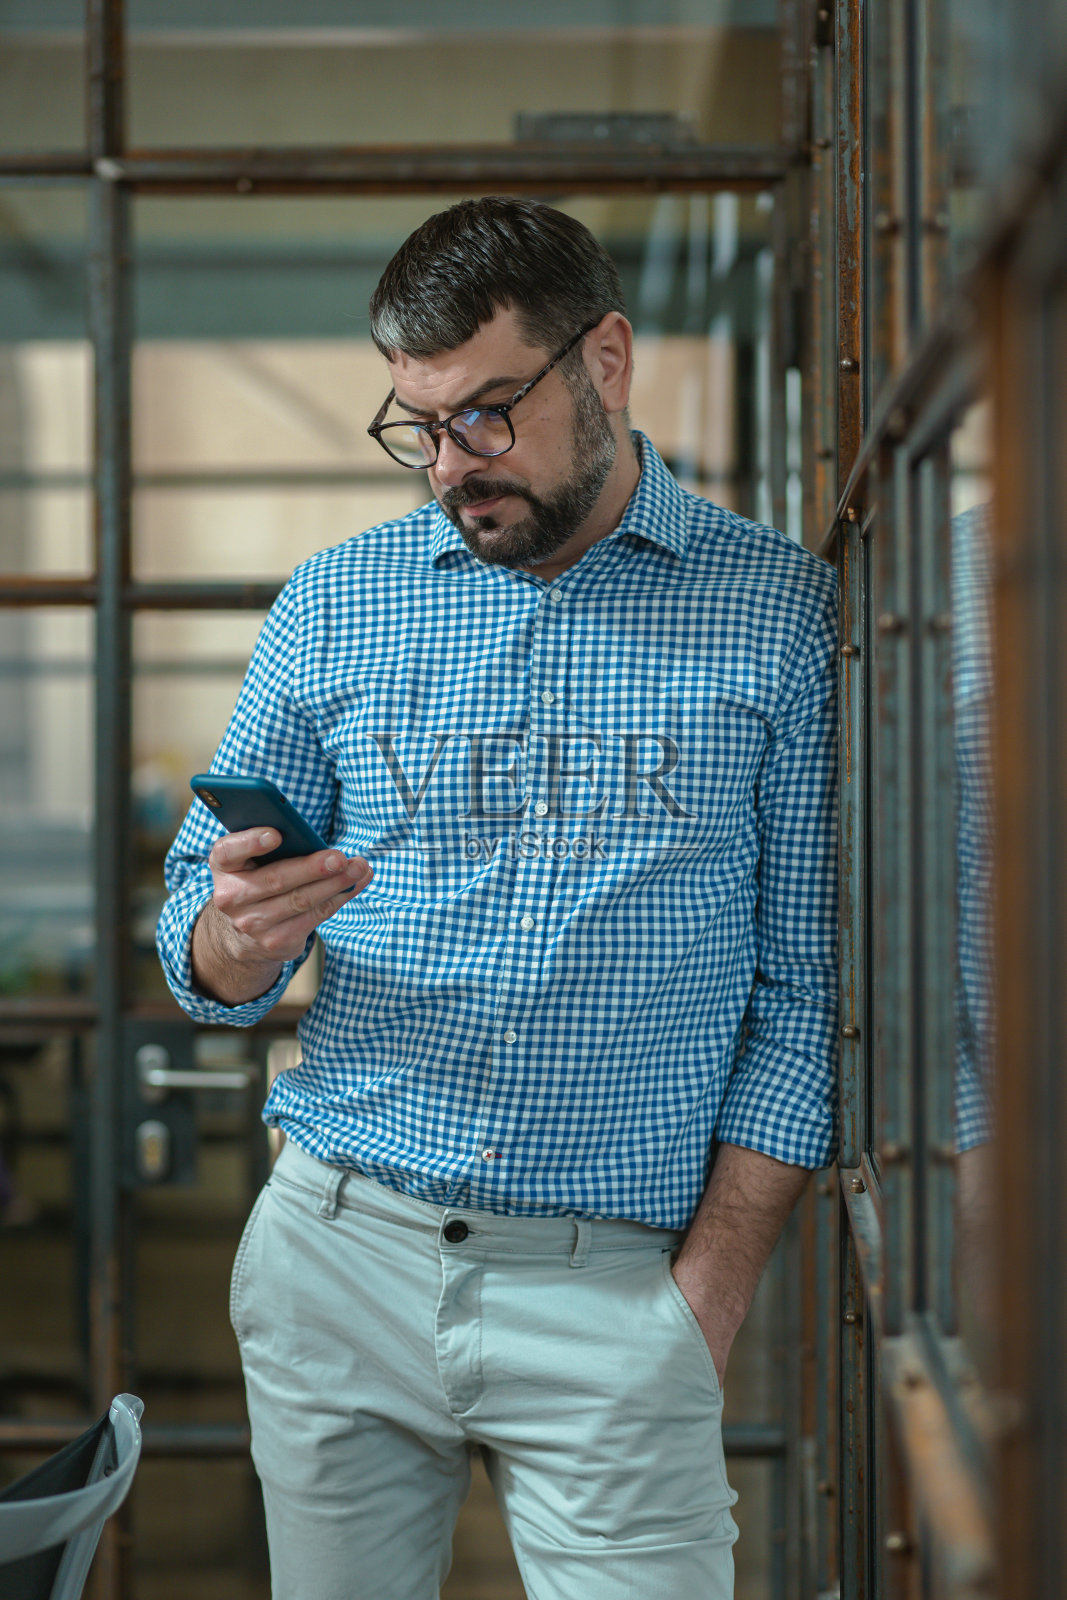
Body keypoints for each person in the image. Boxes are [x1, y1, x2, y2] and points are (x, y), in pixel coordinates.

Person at [157, 196, 837, 1600]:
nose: (452, 467)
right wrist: (236, 937)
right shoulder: (335, 606)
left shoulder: (781, 617)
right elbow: (200, 919)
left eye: (486, 415)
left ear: (606, 361)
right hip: (335, 1258)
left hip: (617, 1288)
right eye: (416, 425)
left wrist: (702, 1300)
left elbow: (810, 990)